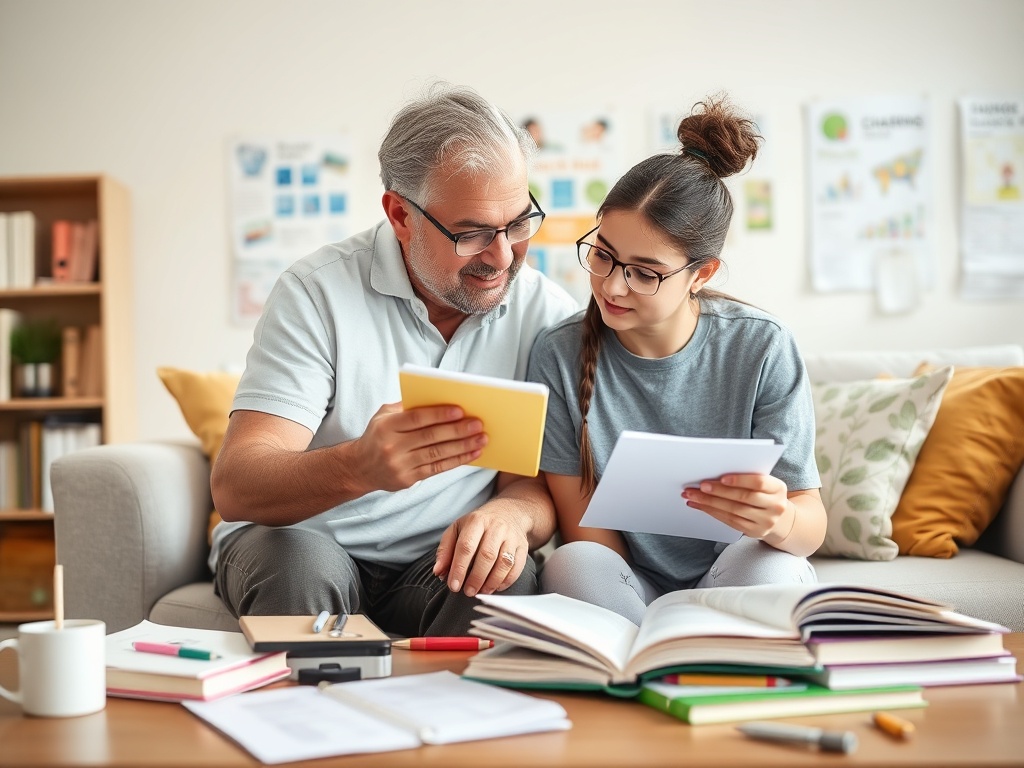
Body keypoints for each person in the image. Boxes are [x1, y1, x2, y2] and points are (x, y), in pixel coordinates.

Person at [209, 83, 578, 637]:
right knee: (303, 569)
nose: (502, 257)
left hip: (435, 561)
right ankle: (313, 722)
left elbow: (535, 485)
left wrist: (513, 518)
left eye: (519, 223)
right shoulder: (317, 293)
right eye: (473, 233)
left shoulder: (546, 313)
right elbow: (236, 486)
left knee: (509, 579)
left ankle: (455, 727)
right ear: (400, 214)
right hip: (301, 541)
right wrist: (357, 465)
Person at [528, 96, 826, 626]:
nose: (613, 286)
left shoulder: (762, 347)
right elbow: (584, 534)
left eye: (646, 272)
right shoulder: (559, 352)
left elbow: (810, 524)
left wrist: (778, 520)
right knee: (573, 563)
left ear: (702, 273)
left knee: (776, 567)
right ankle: (649, 655)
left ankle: (695, 646)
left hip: (735, 567)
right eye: (602, 255)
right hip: (627, 581)